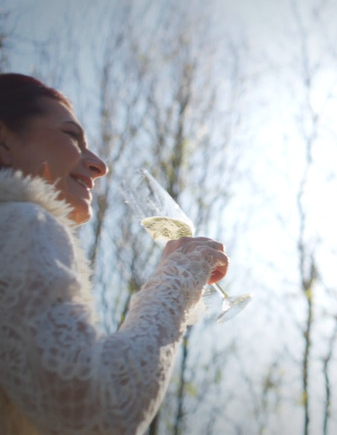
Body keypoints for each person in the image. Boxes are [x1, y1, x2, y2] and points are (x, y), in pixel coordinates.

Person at [0, 73, 229, 434]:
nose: (99, 165)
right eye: (72, 136)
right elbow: (99, 408)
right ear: (4, 140)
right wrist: (178, 279)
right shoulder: (24, 222)